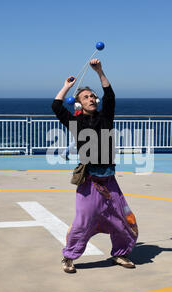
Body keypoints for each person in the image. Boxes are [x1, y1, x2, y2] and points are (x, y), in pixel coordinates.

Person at [52, 58, 139, 273]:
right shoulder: (76, 122)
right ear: (79, 103)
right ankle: (69, 257)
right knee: (83, 222)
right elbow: (56, 106)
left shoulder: (106, 117)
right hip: (89, 181)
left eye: (93, 96)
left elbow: (110, 95)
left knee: (123, 221)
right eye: (86, 97)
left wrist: (100, 71)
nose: (92, 99)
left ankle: (120, 254)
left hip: (109, 180)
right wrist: (66, 86)